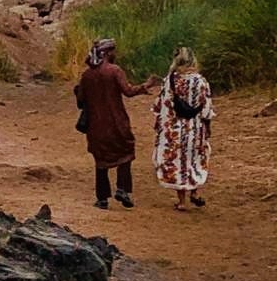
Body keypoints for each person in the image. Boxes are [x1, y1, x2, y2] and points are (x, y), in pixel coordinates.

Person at [75, 38, 159, 209]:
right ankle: (122, 189)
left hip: (95, 126)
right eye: (113, 51)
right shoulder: (114, 71)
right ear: (107, 53)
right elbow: (128, 91)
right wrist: (146, 85)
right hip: (117, 122)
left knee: (101, 160)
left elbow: (81, 99)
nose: (115, 54)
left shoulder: (86, 75)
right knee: (126, 152)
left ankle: (102, 199)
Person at [153, 46, 214, 211]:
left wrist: (160, 126)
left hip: (174, 129)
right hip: (196, 128)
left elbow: (162, 105)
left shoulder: (170, 80)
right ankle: (194, 193)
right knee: (194, 159)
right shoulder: (201, 81)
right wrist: (208, 127)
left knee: (178, 162)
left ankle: (181, 201)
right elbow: (206, 108)